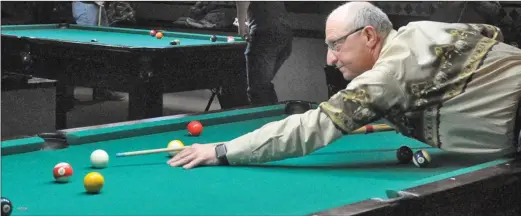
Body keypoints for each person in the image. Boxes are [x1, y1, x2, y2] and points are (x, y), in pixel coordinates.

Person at [167, 2, 521, 169]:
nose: (330, 58)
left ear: (369, 36)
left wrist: (224, 150)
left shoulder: (389, 74)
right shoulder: (421, 31)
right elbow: (492, 33)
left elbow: (313, 127)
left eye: (336, 44)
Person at [235, 1, 293, 106]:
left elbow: (241, 1)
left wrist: (242, 28)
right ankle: (275, 119)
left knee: (257, 90)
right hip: (285, 35)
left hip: (265, 33)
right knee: (263, 86)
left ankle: (265, 122)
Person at [71, 1, 123, 101]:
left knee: (104, 45)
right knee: (84, 49)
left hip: (98, 6)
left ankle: (101, 90)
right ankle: (68, 94)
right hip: (86, 5)